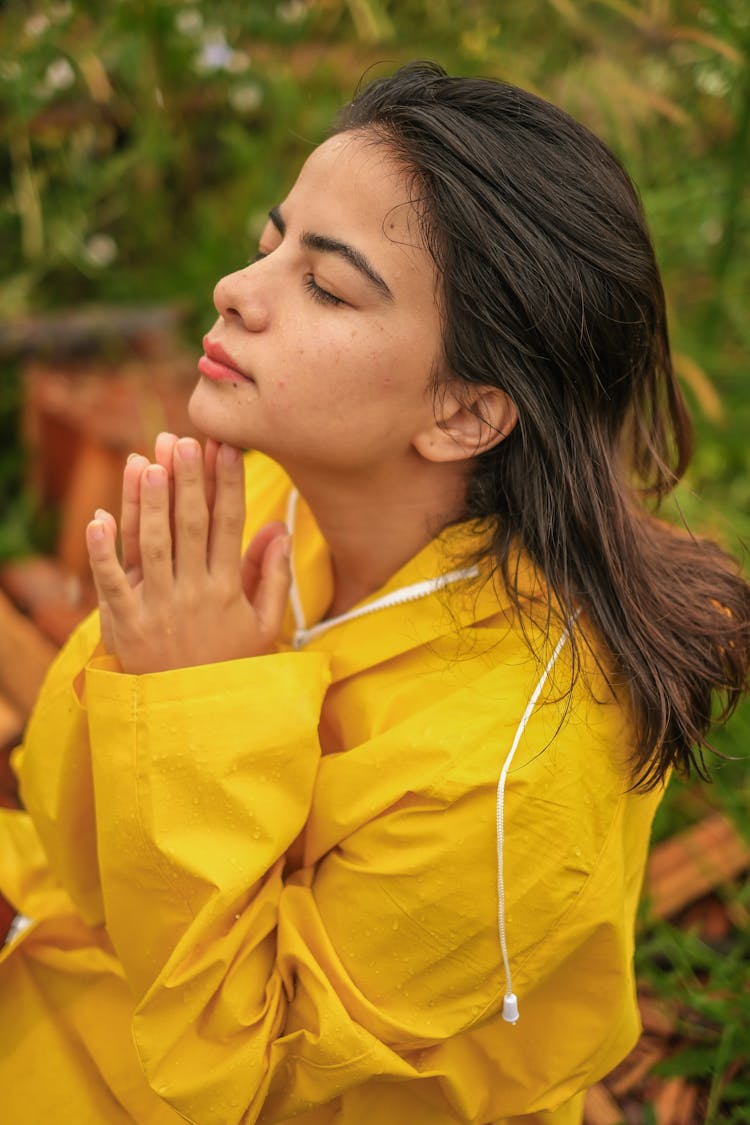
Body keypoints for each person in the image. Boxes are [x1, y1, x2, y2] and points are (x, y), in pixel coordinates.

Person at [0, 61, 748, 1125]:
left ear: (463, 415)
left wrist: (191, 701)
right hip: (80, 971)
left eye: (326, 286)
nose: (235, 289)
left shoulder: (510, 782)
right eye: (274, 242)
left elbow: (253, 1078)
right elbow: (69, 825)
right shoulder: (279, 488)